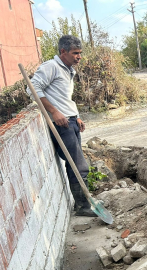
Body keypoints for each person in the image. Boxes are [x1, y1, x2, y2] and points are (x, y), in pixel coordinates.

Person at [27, 35, 97, 217]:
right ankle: (83, 207)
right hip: (61, 123)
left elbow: (64, 98)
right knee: (78, 166)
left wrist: (77, 117)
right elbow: (32, 89)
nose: (79, 57)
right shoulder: (51, 67)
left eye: (80, 53)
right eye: (75, 53)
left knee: (74, 163)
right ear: (63, 52)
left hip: (71, 120)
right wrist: (54, 111)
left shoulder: (68, 69)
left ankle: (82, 203)